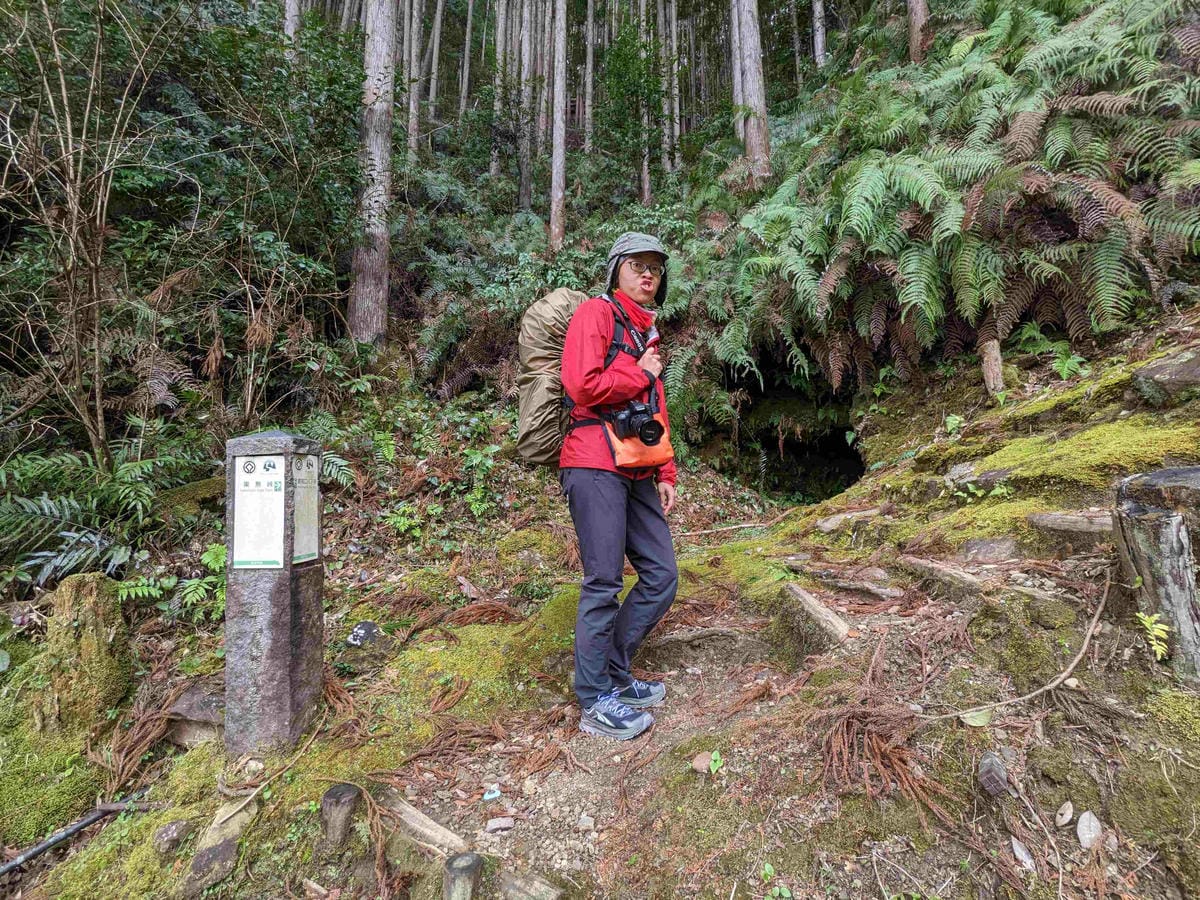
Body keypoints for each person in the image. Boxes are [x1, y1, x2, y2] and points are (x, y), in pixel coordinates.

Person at [559, 232, 679, 741]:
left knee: (661, 574)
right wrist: (639, 372)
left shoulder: (644, 332)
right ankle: (593, 701)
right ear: (616, 271)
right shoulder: (596, 314)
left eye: (655, 266)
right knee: (604, 581)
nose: (647, 273)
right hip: (592, 463)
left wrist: (666, 470)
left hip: (636, 466)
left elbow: (654, 407)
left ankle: (612, 671)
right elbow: (580, 384)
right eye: (637, 265)